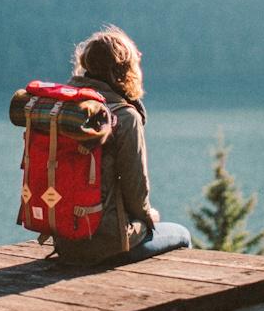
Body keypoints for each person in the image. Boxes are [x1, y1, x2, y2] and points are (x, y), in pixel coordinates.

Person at [53, 24, 191, 265]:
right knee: (182, 234)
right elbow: (136, 194)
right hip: (107, 242)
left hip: (64, 239)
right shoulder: (125, 117)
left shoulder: (67, 108)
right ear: (124, 70)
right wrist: (150, 216)